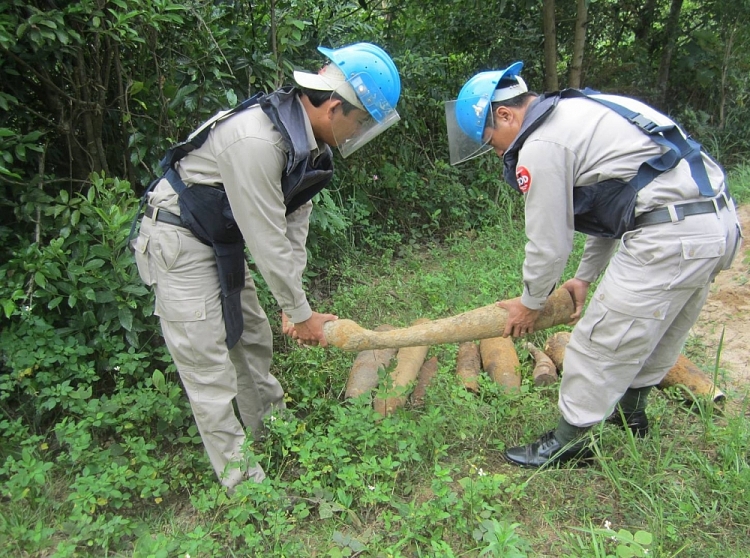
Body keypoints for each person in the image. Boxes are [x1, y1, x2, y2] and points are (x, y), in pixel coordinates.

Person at [131, 43, 402, 491]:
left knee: (253, 341)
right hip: (178, 239)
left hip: (220, 240)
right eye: (360, 121)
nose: (359, 132)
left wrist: (289, 304)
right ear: (335, 107)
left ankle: (274, 433)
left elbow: (294, 226)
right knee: (209, 367)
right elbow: (266, 238)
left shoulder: (310, 147)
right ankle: (247, 487)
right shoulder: (258, 141)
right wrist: (302, 314)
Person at [446, 62, 742, 467]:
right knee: (662, 328)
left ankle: (569, 443)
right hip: (715, 225)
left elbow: (549, 243)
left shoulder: (541, 143)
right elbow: (616, 202)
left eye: (490, 140)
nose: (497, 151)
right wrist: (585, 277)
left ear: (505, 115)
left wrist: (531, 303)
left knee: (597, 340)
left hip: (670, 233)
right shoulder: (582, 110)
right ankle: (630, 412)